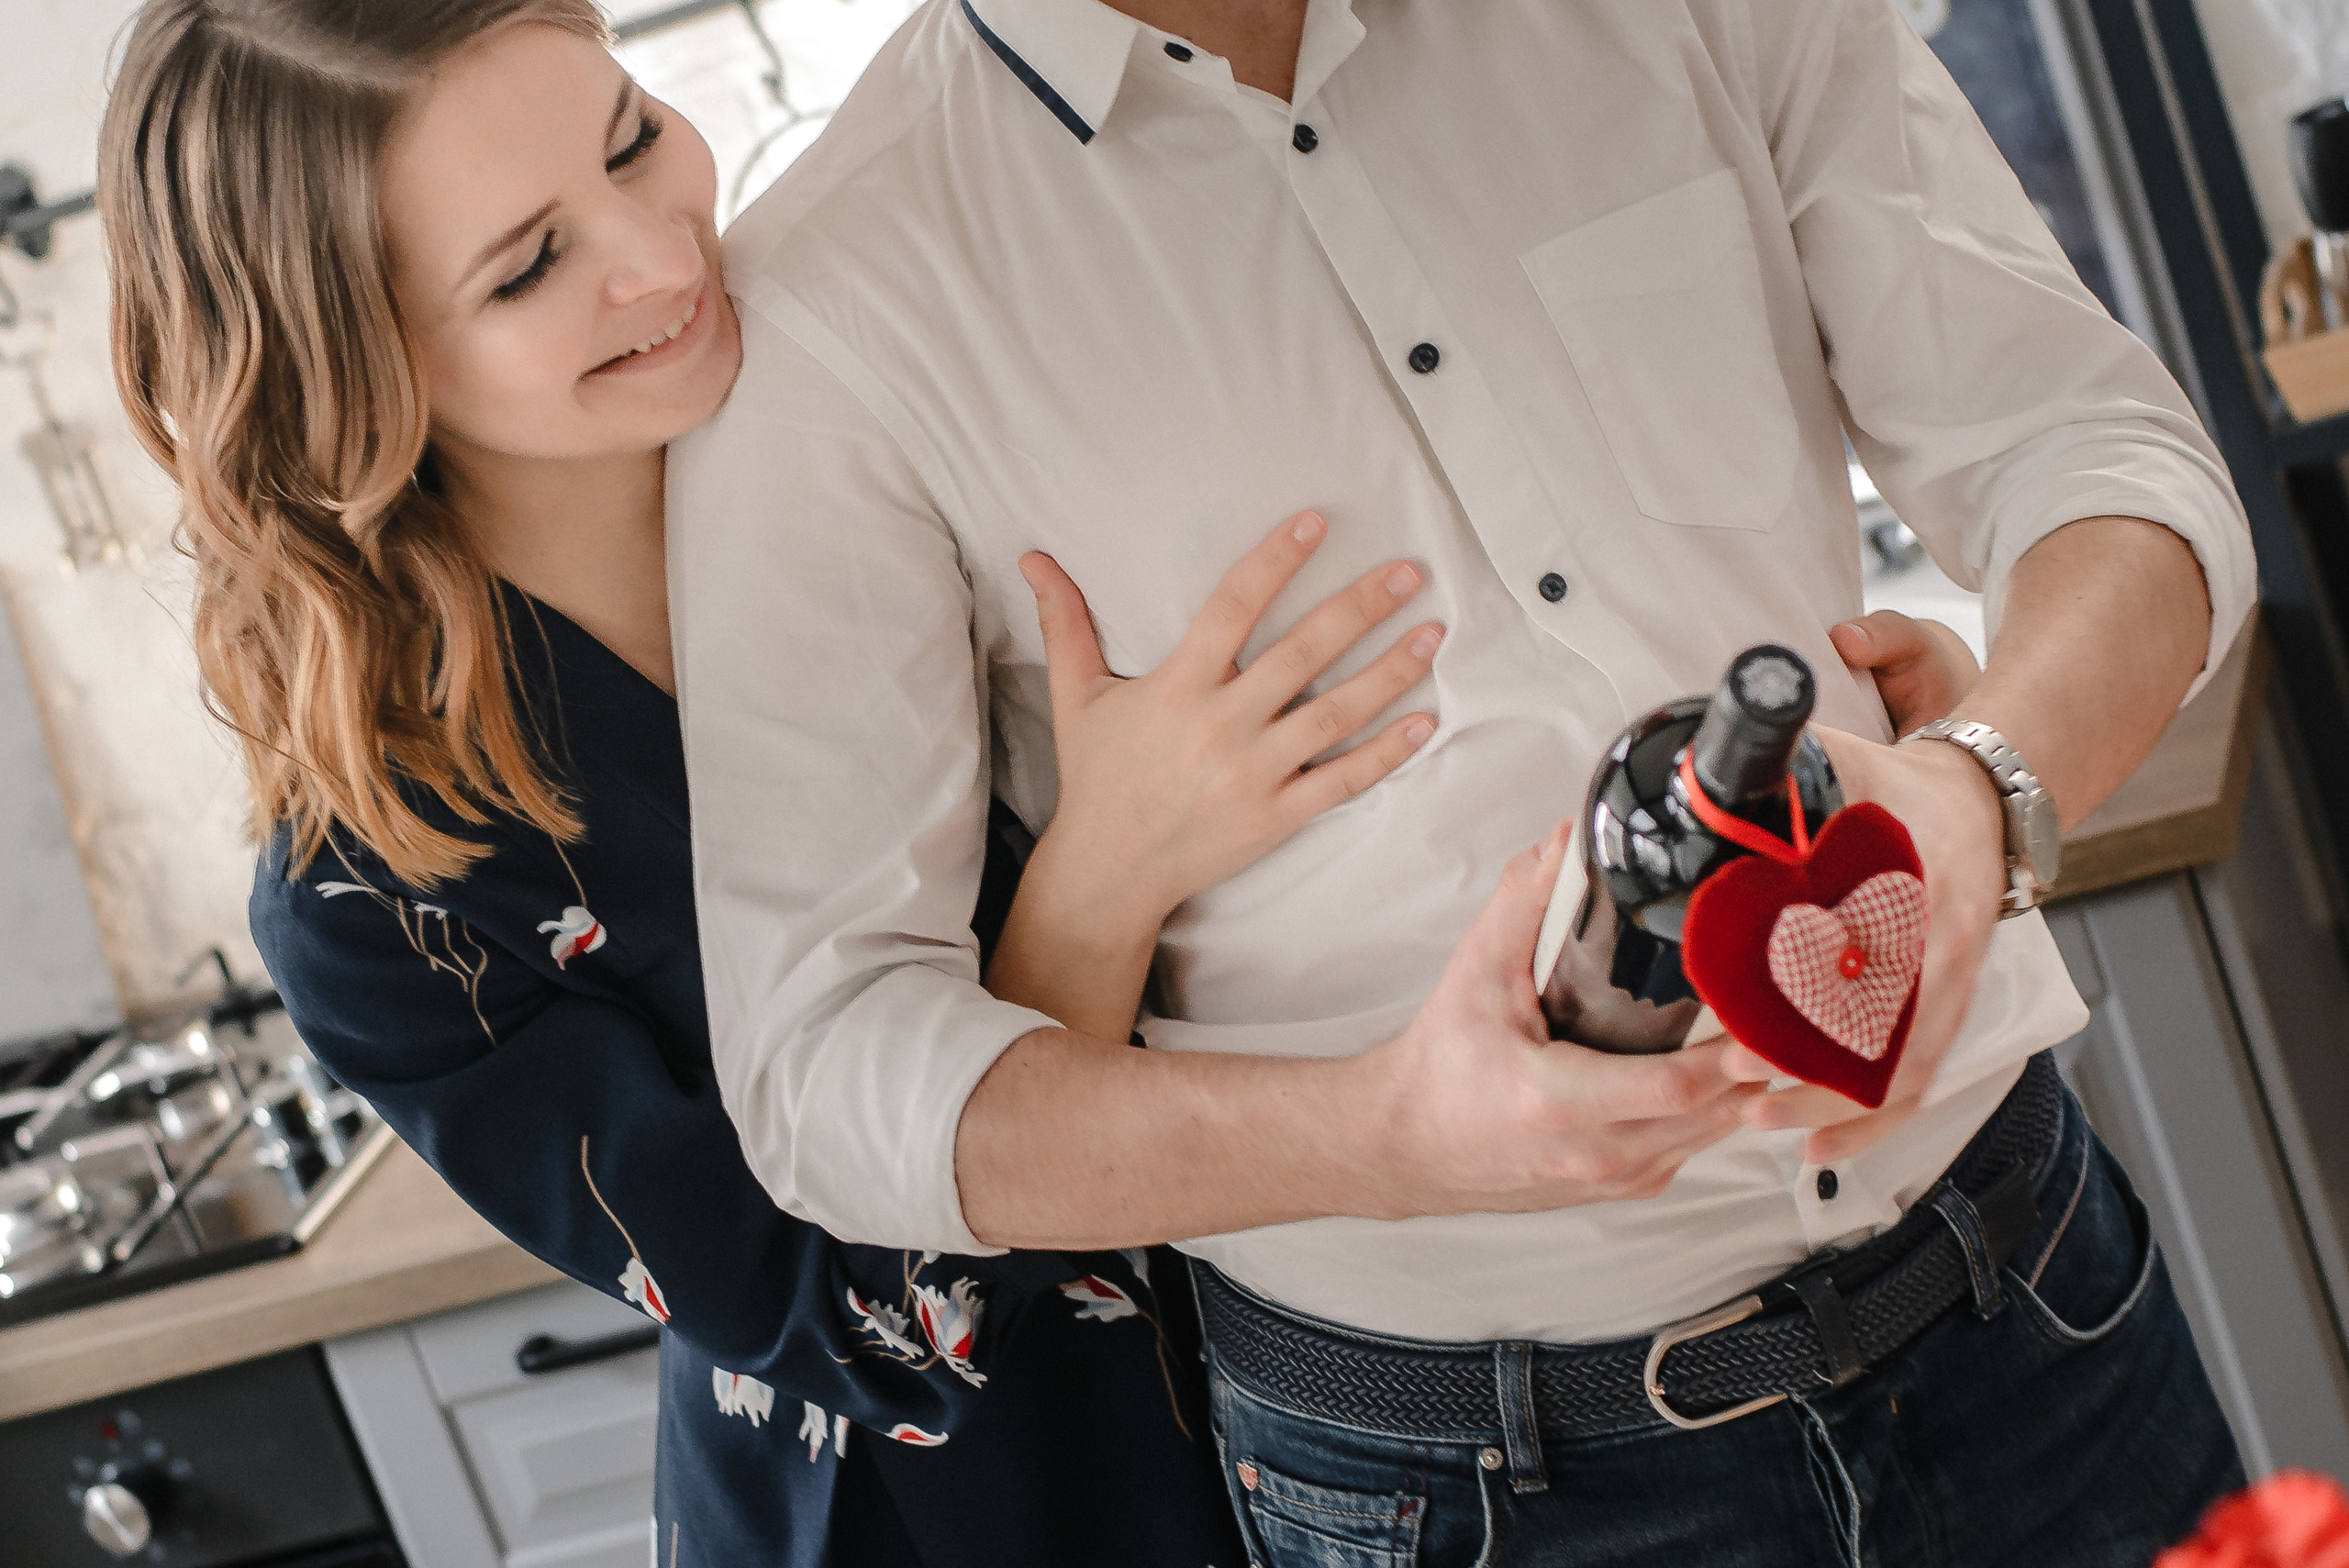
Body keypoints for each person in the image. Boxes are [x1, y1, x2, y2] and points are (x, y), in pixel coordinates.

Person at [670, 0, 2259, 1562]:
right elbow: (828, 1070)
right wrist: (1391, 1133)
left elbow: (2100, 451)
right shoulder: (831, 303)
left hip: (2031, 1286)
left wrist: (1977, 794)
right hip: (1464, 1482)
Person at [89, 2, 1552, 1561]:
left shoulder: (872, 373)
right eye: (528, 266)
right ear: (352, 380)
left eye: (635, 137)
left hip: (1369, 1392)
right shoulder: (385, 889)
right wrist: (1104, 873)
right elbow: (874, 1313)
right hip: (969, 1514)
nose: (661, 255)